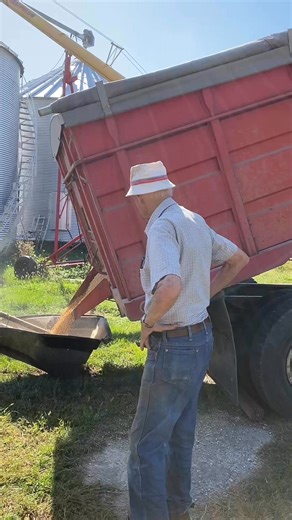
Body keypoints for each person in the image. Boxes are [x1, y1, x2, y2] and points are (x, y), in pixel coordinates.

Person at [126, 161, 249, 520]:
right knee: (181, 432)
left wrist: (148, 323)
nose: (136, 205)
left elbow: (169, 285)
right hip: (201, 338)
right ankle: (177, 509)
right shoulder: (194, 220)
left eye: (137, 198)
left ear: (148, 196)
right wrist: (205, 294)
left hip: (174, 346)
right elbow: (238, 259)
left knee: (146, 445)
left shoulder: (162, 227)